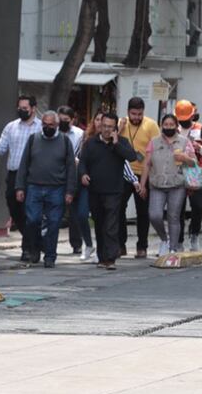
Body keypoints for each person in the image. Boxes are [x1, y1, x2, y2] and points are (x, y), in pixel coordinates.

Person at [15, 111, 77, 268]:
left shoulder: (64, 141)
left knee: (54, 223)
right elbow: (24, 164)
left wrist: (70, 191)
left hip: (57, 188)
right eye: (45, 125)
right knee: (32, 220)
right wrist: (20, 187)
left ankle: (50, 256)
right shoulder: (33, 139)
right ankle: (35, 248)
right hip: (34, 186)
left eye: (51, 125)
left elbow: (71, 168)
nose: (47, 127)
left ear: (57, 125)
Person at [77, 112, 138, 270]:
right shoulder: (91, 143)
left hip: (114, 191)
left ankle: (111, 258)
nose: (106, 129)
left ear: (115, 128)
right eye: (104, 126)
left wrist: (116, 144)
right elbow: (83, 162)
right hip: (95, 190)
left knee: (111, 225)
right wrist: (83, 174)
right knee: (99, 224)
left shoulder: (121, 142)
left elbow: (132, 157)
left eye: (110, 127)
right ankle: (102, 257)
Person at [0, 95, 43, 261]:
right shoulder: (11, 127)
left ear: (33, 108)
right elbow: (0, 149)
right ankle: (34, 240)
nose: (22, 111)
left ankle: (28, 248)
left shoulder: (42, 127)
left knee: (30, 212)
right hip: (14, 174)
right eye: (19, 108)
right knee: (14, 209)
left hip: (33, 176)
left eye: (25, 108)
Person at [141, 114, 197, 256]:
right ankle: (164, 239)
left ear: (176, 126)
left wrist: (185, 158)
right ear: (161, 125)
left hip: (177, 184)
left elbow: (194, 162)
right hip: (157, 184)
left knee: (173, 216)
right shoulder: (154, 142)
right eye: (166, 124)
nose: (169, 127)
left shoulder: (184, 142)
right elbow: (147, 164)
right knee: (154, 215)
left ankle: (173, 248)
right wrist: (142, 184)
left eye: (172, 124)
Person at [175, 100, 202, 251]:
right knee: (178, 208)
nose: (183, 121)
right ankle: (178, 240)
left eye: (186, 118)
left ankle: (194, 235)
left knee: (197, 206)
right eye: (181, 119)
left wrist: (199, 148)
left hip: (196, 173)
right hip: (177, 173)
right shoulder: (173, 129)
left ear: (192, 116)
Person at [118, 97, 159, 258]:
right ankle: (120, 244)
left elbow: (155, 150)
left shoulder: (151, 125)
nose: (136, 117)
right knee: (119, 208)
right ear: (128, 112)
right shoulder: (122, 124)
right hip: (123, 173)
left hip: (144, 173)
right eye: (133, 114)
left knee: (143, 211)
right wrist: (119, 128)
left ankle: (142, 246)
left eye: (139, 114)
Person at [58, 106, 88, 257]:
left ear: (73, 120)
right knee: (55, 210)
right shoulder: (53, 132)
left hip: (74, 175)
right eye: (60, 119)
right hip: (56, 175)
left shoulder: (79, 134)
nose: (62, 123)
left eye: (66, 120)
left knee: (74, 213)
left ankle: (76, 244)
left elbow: (83, 155)